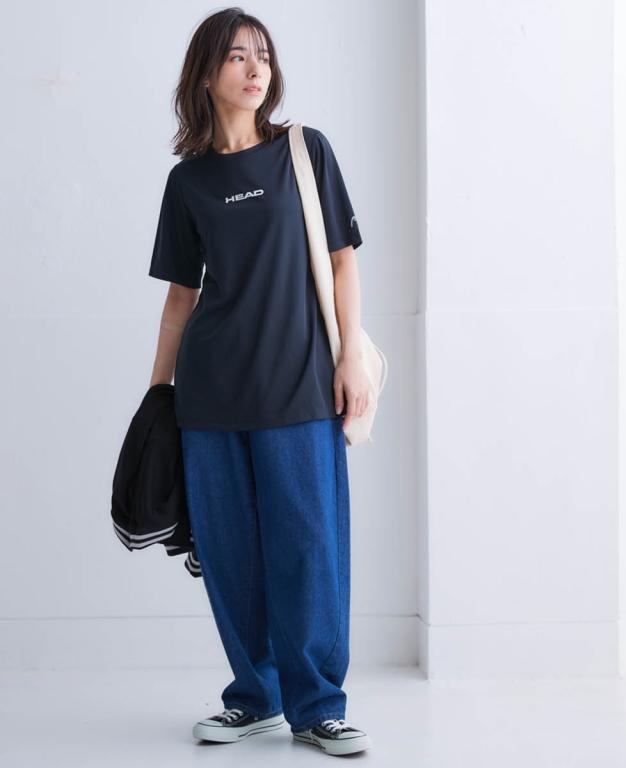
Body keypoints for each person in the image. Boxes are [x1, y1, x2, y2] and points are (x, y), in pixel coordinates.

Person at [147, 7, 372, 757]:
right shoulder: (188, 181)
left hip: (301, 385)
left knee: (308, 548)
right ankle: (255, 698)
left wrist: (350, 358)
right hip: (211, 392)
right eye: (239, 56)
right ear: (207, 72)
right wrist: (158, 395)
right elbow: (180, 298)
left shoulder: (304, 151)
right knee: (232, 556)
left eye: (264, 56)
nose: (255, 69)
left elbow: (342, 259)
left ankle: (319, 706)